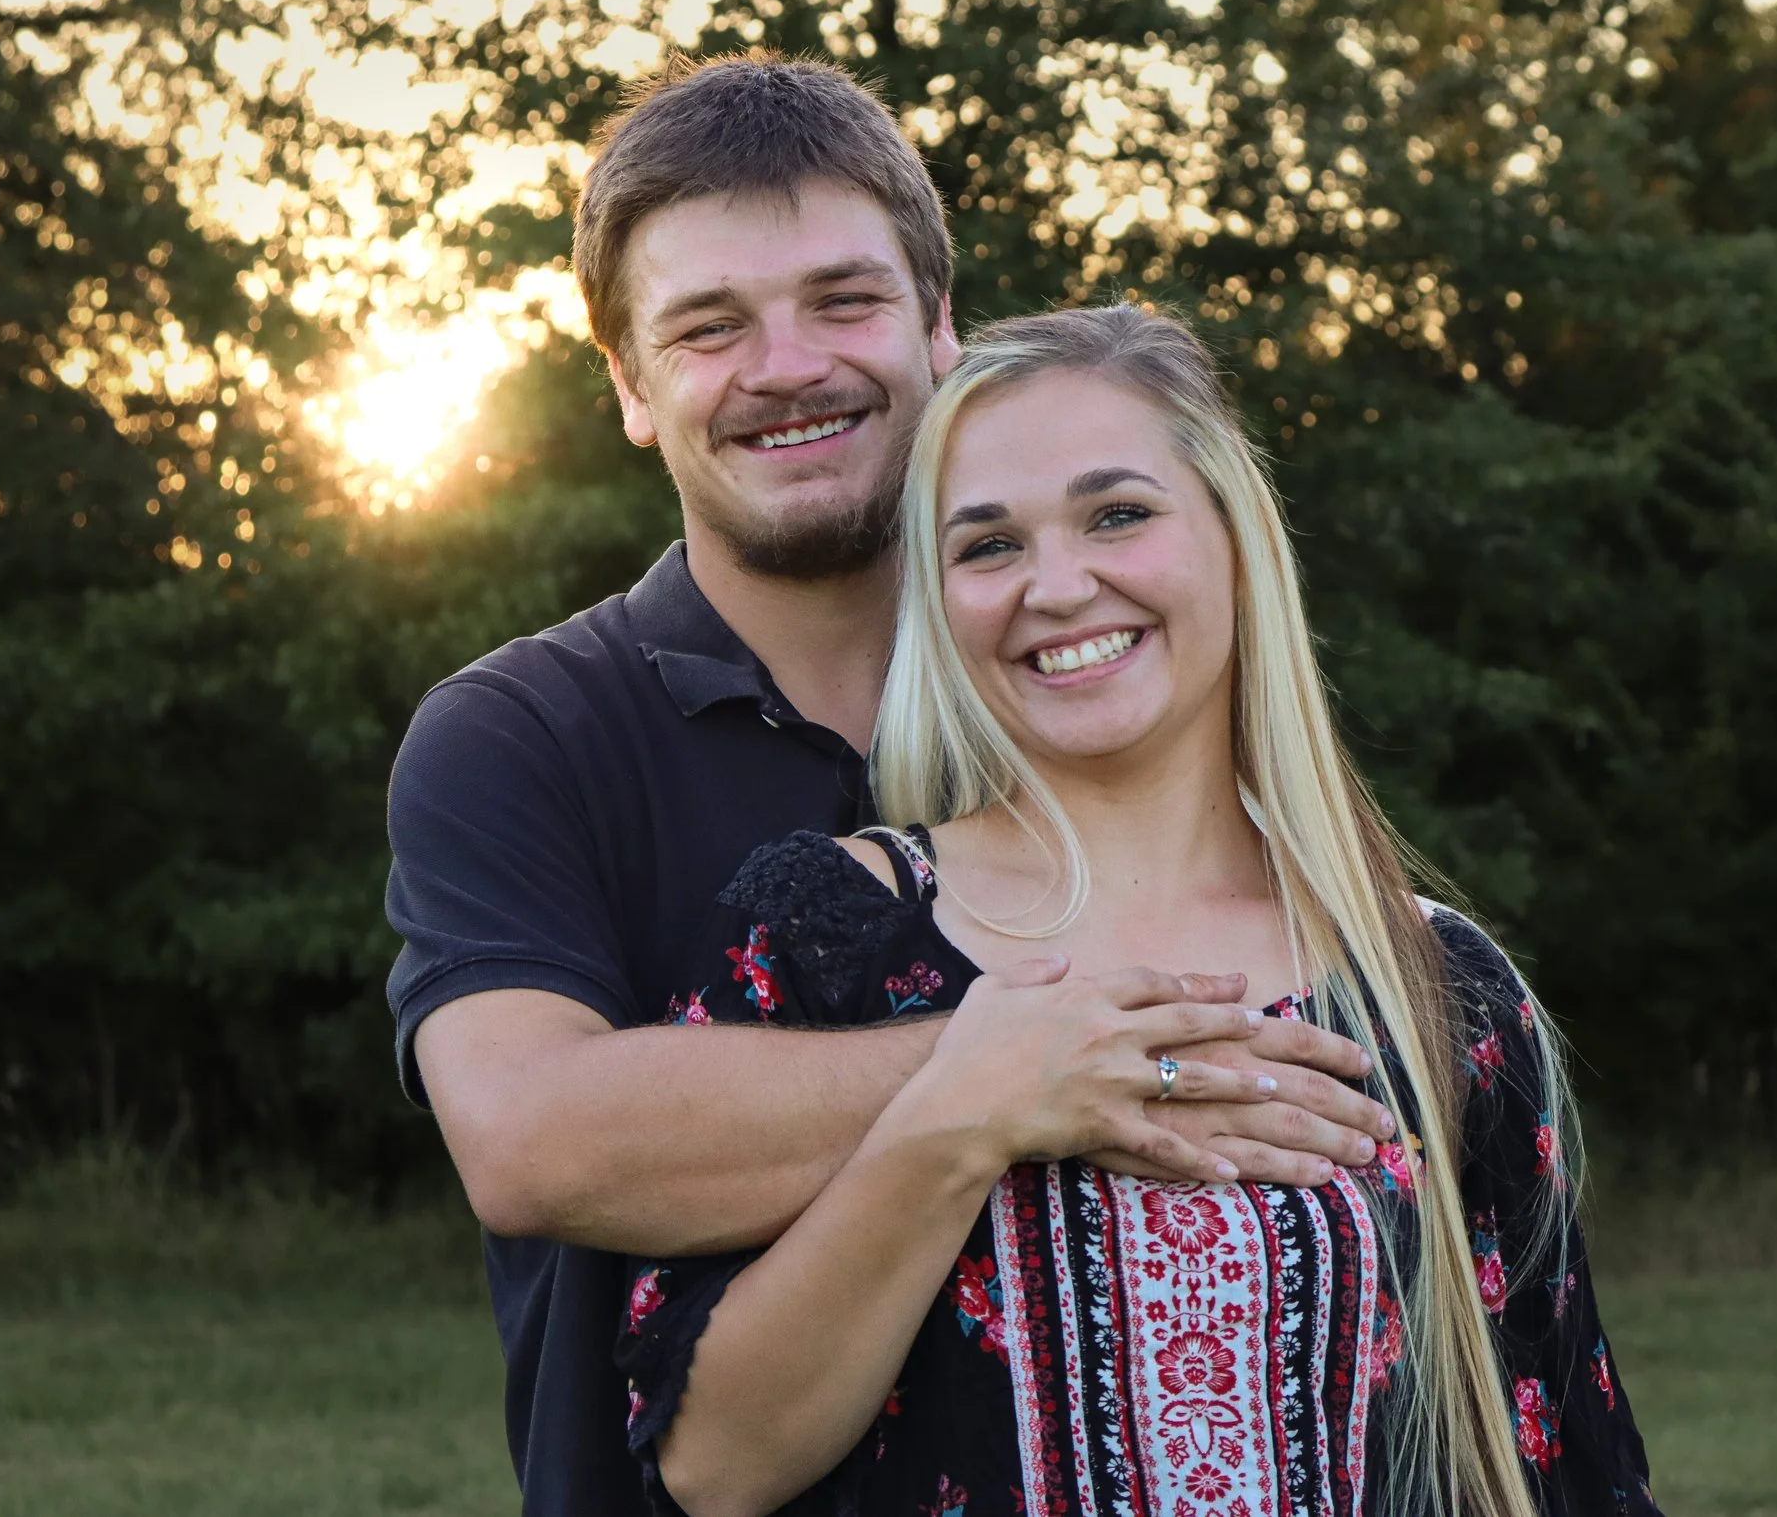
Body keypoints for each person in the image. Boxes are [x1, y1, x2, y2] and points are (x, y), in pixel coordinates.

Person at [384, 56, 1400, 1516]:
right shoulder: (524, 731)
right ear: (627, 383)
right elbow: (535, 1140)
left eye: (844, 300)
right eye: (711, 326)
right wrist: (1028, 1067)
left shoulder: (1099, 665)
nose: (789, 364)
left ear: (940, 326)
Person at [617, 304, 1662, 1517]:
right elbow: (713, 1465)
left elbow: (1571, 1464)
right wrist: (961, 1111)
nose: (1058, 586)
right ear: (937, 602)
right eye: (987, 545)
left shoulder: (1434, 983)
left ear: (1232, 536)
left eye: (1118, 513)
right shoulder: (823, 935)